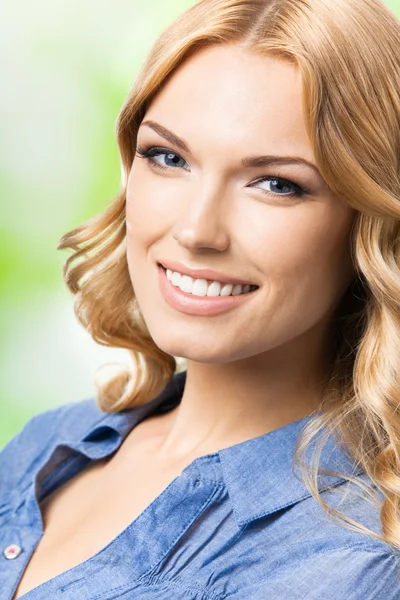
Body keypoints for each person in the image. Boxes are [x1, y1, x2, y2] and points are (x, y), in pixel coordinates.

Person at [2, 0, 400, 597]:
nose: (195, 231)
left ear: (367, 224)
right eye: (168, 157)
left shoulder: (349, 564)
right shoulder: (49, 444)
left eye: (276, 184)